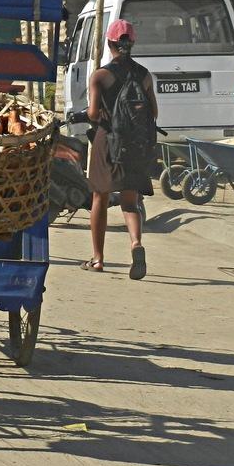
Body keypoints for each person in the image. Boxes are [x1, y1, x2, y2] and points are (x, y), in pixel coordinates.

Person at [80, 19, 158, 280]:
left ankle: (98, 259)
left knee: (99, 198)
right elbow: (154, 112)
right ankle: (136, 244)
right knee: (129, 202)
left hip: (107, 141)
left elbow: (92, 113)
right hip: (134, 145)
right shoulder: (144, 74)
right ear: (132, 43)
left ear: (109, 43)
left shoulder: (100, 75)